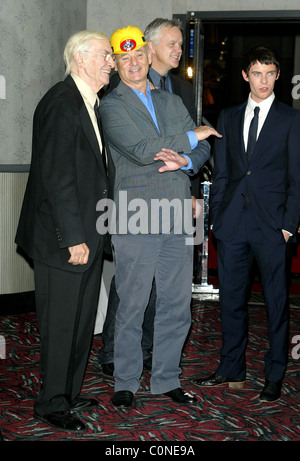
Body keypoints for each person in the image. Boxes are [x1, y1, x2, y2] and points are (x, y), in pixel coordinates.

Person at [99, 25, 221, 408]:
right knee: (133, 303)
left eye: (139, 57)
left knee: (175, 303)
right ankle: (126, 380)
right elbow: (140, 148)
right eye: (125, 58)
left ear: (148, 57)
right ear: (116, 63)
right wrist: (191, 138)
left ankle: (166, 378)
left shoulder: (170, 102)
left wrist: (186, 157)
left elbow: (201, 152)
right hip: (136, 216)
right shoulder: (111, 104)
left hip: (177, 214)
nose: (133, 64)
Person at [15, 30, 115, 432]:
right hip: (64, 241)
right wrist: (73, 237)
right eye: (105, 55)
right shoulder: (61, 102)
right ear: (80, 59)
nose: (111, 61)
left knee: (79, 321)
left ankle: (69, 392)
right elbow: (57, 179)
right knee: (60, 324)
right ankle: (51, 402)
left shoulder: (87, 102)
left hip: (87, 237)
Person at [193, 45, 300, 402]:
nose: (264, 80)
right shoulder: (228, 116)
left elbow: (297, 178)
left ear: (278, 76)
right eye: (257, 73)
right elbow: (222, 172)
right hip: (232, 225)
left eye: (270, 73)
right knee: (231, 301)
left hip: (273, 228)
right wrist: (216, 219)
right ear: (245, 76)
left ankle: (274, 374)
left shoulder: (291, 119)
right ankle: (231, 368)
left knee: (276, 303)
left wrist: (288, 225)